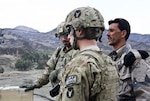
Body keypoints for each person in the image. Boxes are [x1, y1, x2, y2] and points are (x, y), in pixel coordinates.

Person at [56, 6, 119, 101]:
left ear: (79, 31)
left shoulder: (78, 65)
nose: (68, 37)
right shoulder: (109, 61)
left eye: (70, 31)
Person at [20, 22, 78, 92]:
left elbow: (77, 73)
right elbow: (48, 70)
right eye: (61, 36)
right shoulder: (59, 52)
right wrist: (36, 84)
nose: (63, 39)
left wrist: (58, 72)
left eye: (66, 35)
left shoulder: (78, 52)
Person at [107, 18, 150, 101]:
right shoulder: (109, 60)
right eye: (108, 31)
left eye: (111, 31)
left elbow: (145, 96)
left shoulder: (135, 60)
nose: (107, 34)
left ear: (123, 33)